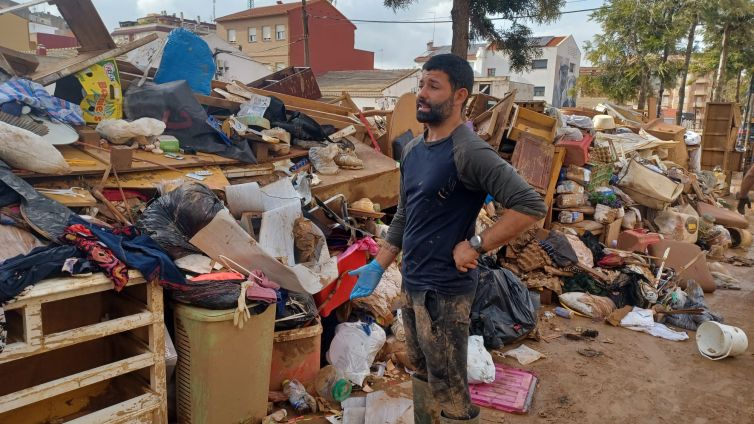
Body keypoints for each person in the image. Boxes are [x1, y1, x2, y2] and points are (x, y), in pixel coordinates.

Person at [348, 54, 547, 424]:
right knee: (421, 368)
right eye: (421, 84)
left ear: (460, 96)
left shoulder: (469, 151)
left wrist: (476, 244)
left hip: (446, 290)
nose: (422, 94)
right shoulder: (412, 150)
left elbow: (531, 205)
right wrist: (379, 264)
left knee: (450, 386)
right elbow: (406, 214)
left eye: (433, 86)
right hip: (415, 282)